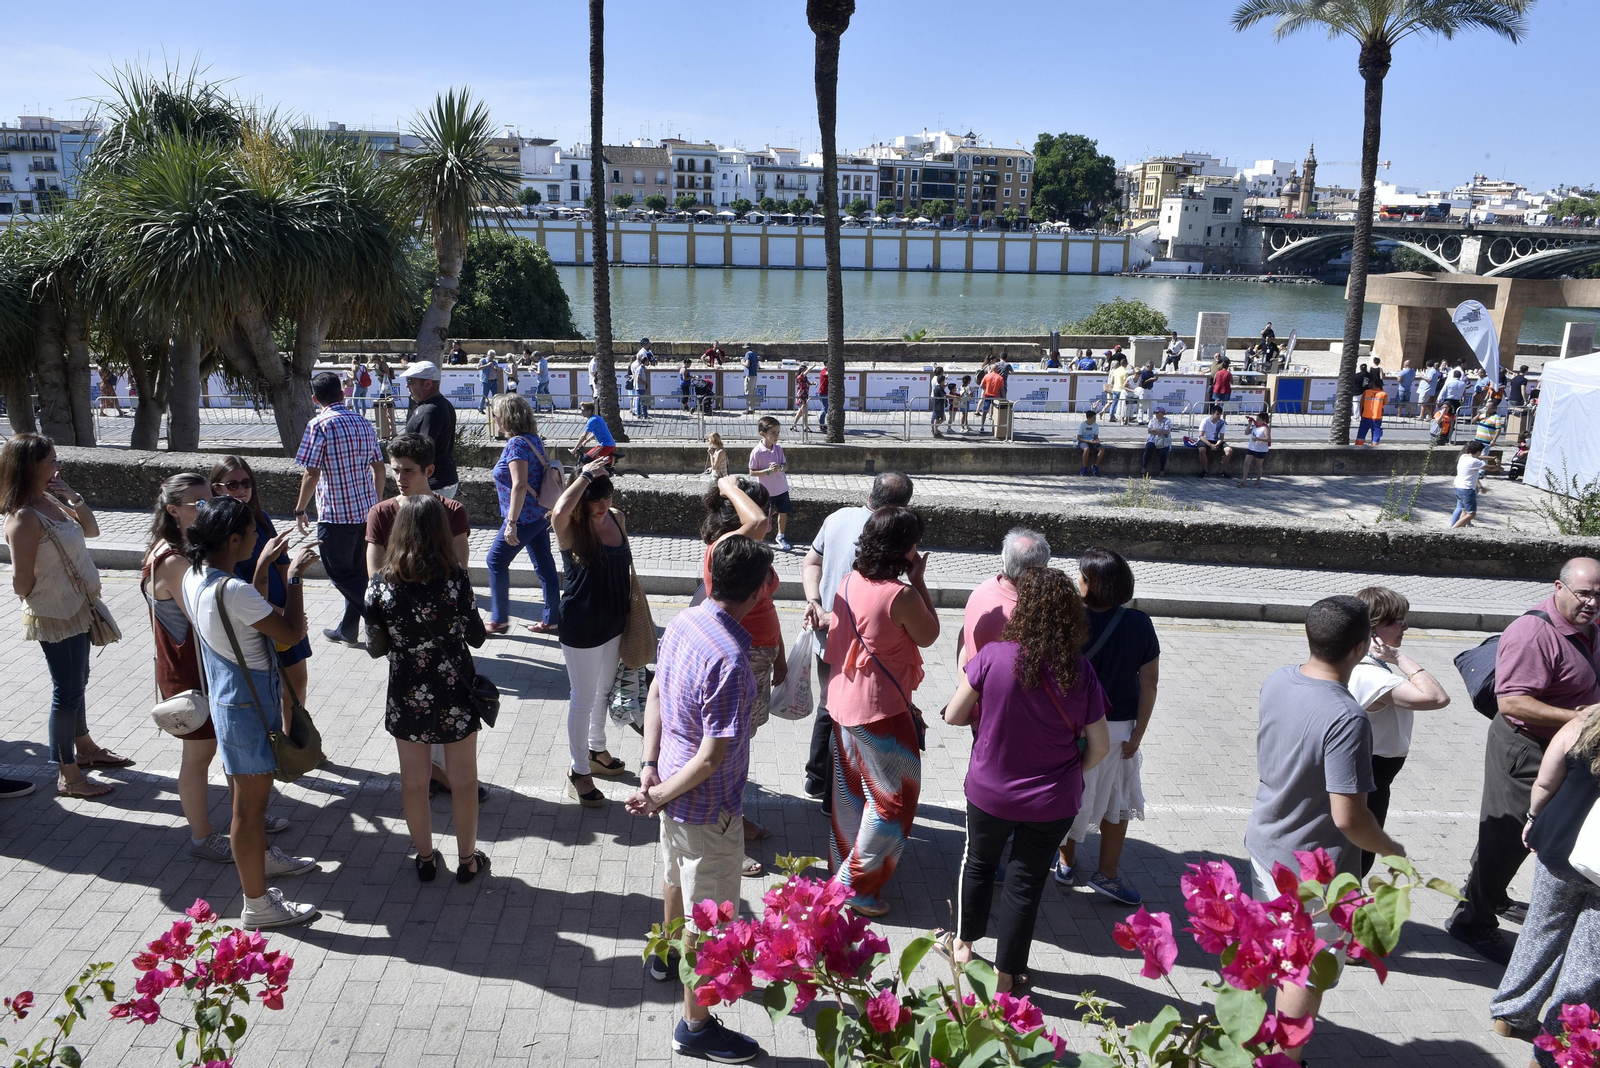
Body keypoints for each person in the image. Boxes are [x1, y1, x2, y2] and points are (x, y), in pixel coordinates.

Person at [628, 535, 773, 1065]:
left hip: (670, 791)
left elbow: (656, 694)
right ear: (759, 592)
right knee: (707, 920)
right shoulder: (733, 659)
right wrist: (658, 794)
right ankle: (695, 1025)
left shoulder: (687, 621)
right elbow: (713, 757)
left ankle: (665, 958)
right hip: (706, 807)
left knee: (673, 879)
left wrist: (649, 774)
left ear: (711, 580)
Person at [1245, 595, 1406, 1063]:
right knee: (1304, 970)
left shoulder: (1279, 680)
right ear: (1361, 648)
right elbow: (1349, 817)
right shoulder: (1347, 717)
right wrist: (1391, 847)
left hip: (1265, 840)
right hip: (1311, 867)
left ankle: (1253, 1037)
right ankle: (1284, 1059)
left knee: (1270, 952)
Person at [942, 567, 1111, 992]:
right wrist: (1070, 771)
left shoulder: (993, 658)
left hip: (990, 792)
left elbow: (953, 715)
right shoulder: (1080, 671)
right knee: (1026, 882)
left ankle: (963, 946)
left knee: (978, 864)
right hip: (1052, 801)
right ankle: (1007, 973)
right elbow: (1102, 746)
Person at [1448, 558, 1600, 965]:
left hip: (1563, 747)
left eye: (1599, 595)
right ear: (1559, 588)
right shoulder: (1533, 633)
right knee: (1508, 836)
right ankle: (1470, 922)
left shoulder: (1588, 627)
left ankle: (1490, 896)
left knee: (1523, 836)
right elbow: (1513, 701)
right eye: (1584, 593)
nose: (1591, 603)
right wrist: (1581, 717)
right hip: (1526, 748)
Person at [181, 496, 322, 927]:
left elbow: (244, 617)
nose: (259, 537)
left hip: (230, 700)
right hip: (249, 706)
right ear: (234, 538)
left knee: (249, 805)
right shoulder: (233, 589)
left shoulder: (195, 576)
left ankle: (262, 870)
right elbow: (290, 633)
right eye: (252, 533)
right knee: (248, 810)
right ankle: (257, 905)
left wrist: (262, 568)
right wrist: (294, 578)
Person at [364, 495, 490, 885]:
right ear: (440, 532)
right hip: (454, 688)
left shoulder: (379, 585)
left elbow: (373, 646)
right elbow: (478, 638)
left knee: (415, 783)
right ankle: (467, 861)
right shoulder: (456, 581)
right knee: (465, 780)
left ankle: (424, 859)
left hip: (406, 690)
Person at [823, 505, 940, 917]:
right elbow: (929, 634)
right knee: (893, 802)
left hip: (842, 703)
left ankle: (844, 862)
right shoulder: (901, 594)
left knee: (851, 791)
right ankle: (852, 886)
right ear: (906, 548)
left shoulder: (849, 579)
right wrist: (919, 581)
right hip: (881, 712)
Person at [2, 434, 129, 798]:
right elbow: (20, 582)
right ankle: (68, 774)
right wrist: (46, 594)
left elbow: (91, 529)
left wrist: (71, 494)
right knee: (66, 691)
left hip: (79, 606)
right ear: (30, 467)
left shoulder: (48, 501)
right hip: (56, 614)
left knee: (78, 680)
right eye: (51, 461)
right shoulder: (24, 518)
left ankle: (86, 749)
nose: (58, 466)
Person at [801, 474, 916, 811]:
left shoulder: (836, 518)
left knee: (829, 706)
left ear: (870, 493)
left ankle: (816, 777)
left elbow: (811, 561)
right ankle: (835, 796)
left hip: (827, 631)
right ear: (902, 507)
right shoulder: (894, 534)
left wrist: (815, 604)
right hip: (866, 647)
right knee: (851, 718)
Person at [1489, 706, 1600, 1048]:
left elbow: (1545, 782)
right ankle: (1563, 1038)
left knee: (1541, 928)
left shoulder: (1582, 724)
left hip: (1558, 843)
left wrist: (1534, 818)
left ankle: (1510, 1014)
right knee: (1589, 956)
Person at [1056, 547, 1161, 904]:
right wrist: (1138, 734)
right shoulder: (1139, 623)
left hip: (1074, 730)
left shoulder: (1068, 620)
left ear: (1091, 584)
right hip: (1119, 730)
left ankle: (1066, 863)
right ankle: (1108, 875)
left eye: (1081, 576)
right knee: (1117, 801)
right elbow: (1149, 683)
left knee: (1073, 797)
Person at [144, 473, 233, 856]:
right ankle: (202, 836)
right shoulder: (173, 560)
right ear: (173, 510)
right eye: (198, 503)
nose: (207, 507)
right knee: (199, 756)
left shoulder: (179, 548)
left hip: (194, 668)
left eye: (210, 499)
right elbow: (205, 615)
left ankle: (246, 816)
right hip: (189, 674)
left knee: (227, 747)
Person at [700, 476, 784, 864]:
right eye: (761, 507)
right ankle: (726, 838)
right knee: (729, 751)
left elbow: (764, 605)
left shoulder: (747, 550)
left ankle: (732, 818)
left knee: (740, 746)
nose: (767, 516)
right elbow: (759, 523)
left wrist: (779, 653)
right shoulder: (723, 549)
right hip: (741, 659)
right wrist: (727, 485)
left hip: (759, 659)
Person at [1346, 587, 1452, 877]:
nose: (1405, 627)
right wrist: (1402, 659)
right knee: (1357, 860)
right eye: (1396, 621)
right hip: (1369, 776)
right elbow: (1437, 698)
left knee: (1358, 857)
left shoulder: (1364, 663)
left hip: (1375, 775)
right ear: (1372, 628)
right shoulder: (1370, 674)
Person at [211, 455, 316, 727]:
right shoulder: (219, 532)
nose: (242, 489)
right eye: (232, 484)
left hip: (281, 608)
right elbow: (237, 585)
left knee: (297, 681)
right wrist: (277, 612)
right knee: (268, 686)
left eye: (247, 482)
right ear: (216, 488)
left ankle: (296, 741)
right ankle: (278, 745)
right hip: (256, 613)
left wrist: (293, 608)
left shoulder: (260, 517)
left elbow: (283, 565)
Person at [551, 461, 633, 807]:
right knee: (582, 698)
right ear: (581, 501)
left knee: (603, 691)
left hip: (614, 620)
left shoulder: (615, 516)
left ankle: (597, 750)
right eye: (594, 501)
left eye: (607, 497)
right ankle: (578, 770)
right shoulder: (570, 527)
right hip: (582, 625)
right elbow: (558, 509)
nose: (602, 506)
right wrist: (585, 475)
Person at [293, 371, 386, 645]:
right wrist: (376, 501)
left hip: (336, 515)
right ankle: (347, 630)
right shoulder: (362, 422)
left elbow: (311, 473)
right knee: (358, 572)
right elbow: (379, 467)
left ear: (314, 398)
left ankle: (381, 619)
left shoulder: (319, 424)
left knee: (340, 574)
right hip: (365, 510)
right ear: (343, 393)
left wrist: (300, 510)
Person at [480, 394, 561, 636]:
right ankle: (552, 619)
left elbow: (519, 484)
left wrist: (511, 524)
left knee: (495, 561)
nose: (494, 418)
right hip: (539, 514)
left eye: (495, 415)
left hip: (524, 517)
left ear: (506, 417)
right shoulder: (533, 439)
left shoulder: (516, 444)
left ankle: (499, 620)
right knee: (544, 564)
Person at [749, 416, 792, 550]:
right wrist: (768, 471)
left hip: (782, 488)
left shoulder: (778, 449)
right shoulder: (757, 452)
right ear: (763, 434)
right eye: (773, 433)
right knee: (764, 517)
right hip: (766, 491)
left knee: (783, 512)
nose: (776, 436)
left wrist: (780, 468)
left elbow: (785, 466)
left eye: (778, 432)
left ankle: (781, 535)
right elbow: (752, 472)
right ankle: (760, 539)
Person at [1452, 440, 1489, 528]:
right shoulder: (1474, 462)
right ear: (1478, 451)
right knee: (1471, 513)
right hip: (1467, 489)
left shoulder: (1463, 456)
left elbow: (1479, 459)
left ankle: (1461, 529)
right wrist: (1499, 468)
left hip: (1458, 486)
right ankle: (1453, 528)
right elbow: (1489, 467)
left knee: (1463, 511)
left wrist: (1493, 458)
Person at [1234, 412, 1271, 488]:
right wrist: (1249, 424)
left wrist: (1258, 439)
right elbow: (1246, 433)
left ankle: (1258, 482)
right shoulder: (1255, 426)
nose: (1256, 421)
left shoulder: (1265, 428)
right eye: (1256, 419)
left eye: (1258, 420)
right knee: (1246, 463)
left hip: (1260, 450)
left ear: (1264, 420)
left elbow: (1268, 439)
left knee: (1258, 465)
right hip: (1252, 448)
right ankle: (1243, 481)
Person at [1141, 406, 1173, 478]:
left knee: (1163, 452)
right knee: (1148, 448)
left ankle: (1162, 470)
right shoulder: (1152, 420)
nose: (1156, 414)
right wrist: (1159, 431)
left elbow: (1166, 432)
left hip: (1163, 440)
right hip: (1152, 439)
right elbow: (1149, 431)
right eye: (1155, 412)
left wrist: (1155, 430)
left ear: (1162, 414)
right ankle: (1143, 467)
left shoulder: (1167, 421)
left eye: (1158, 412)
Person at [1197, 405, 1228, 478]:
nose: (1219, 416)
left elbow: (1221, 437)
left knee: (1229, 450)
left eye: (1220, 414)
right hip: (1205, 439)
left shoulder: (1222, 423)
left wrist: (1217, 444)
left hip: (1216, 440)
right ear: (1212, 413)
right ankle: (1205, 471)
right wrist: (1210, 445)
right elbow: (1201, 435)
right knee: (1202, 450)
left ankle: (1221, 471)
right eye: (1217, 414)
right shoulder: (1205, 421)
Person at [1075, 410, 1104, 476]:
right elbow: (1078, 438)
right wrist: (1088, 441)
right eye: (1093, 418)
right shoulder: (1082, 425)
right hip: (1083, 441)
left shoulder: (1096, 425)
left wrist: (1097, 441)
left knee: (1102, 449)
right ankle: (1084, 467)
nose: (1095, 419)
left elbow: (1096, 436)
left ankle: (1095, 466)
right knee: (1086, 449)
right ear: (1088, 418)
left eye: (1095, 418)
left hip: (1092, 441)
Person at [978, 363, 1004, 433]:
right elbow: (1002, 389)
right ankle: (994, 428)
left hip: (987, 395)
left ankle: (982, 426)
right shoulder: (1000, 378)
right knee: (995, 412)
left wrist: (987, 388)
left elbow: (981, 385)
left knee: (984, 411)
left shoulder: (987, 376)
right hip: (996, 396)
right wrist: (1004, 398)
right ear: (997, 369)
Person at [1106, 359, 1129, 423]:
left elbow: (1112, 380)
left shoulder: (1116, 370)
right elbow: (1125, 382)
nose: (1127, 364)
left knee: (1114, 403)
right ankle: (1123, 418)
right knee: (1123, 404)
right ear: (1125, 364)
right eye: (1127, 363)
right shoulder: (1125, 372)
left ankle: (1111, 416)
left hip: (1115, 389)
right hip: (1121, 390)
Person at [743, 344, 760, 414]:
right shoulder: (754, 354)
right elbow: (758, 366)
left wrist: (742, 362)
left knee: (749, 393)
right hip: (754, 375)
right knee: (753, 393)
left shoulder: (748, 354)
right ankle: (752, 408)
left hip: (749, 375)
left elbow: (747, 364)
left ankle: (750, 409)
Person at [929, 368, 946, 438]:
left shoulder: (933, 378)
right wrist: (944, 386)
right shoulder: (937, 379)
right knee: (936, 414)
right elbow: (938, 388)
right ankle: (934, 428)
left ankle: (934, 427)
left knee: (935, 413)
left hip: (933, 396)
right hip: (936, 397)